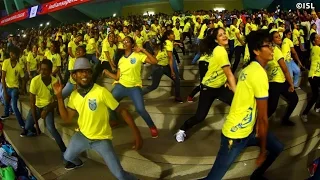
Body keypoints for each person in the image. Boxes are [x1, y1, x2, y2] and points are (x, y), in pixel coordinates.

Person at [203, 30, 284, 180]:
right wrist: (262, 151)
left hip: (248, 129)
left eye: (271, 45)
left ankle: (257, 176)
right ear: (256, 51)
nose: (272, 49)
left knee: (278, 147)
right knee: (213, 178)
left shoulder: (250, 68)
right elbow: (263, 118)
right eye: (268, 46)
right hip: (235, 135)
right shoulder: (258, 74)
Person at [53, 57, 142, 177]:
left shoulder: (101, 92)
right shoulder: (74, 96)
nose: (84, 74)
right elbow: (67, 119)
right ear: (74, 76)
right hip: (82, 135)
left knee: (120, 175)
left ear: (91, 74)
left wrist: (137, 135)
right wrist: (59, 98)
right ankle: (78, 163)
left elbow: (122, 111)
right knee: (67, 157)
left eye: (87, 71)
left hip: (101, 139)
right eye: (80, 71)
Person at [175, 27, 236, 143]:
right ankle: (181, 130)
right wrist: (237, 92)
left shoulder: (220, 50)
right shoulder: (219, 50)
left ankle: (237, 132)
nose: (224, 36)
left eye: (225, 33)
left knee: (237, 105)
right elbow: (229, 74)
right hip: (208, 89)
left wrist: (226, 82)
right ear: (216, 40)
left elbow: (224, 72)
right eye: (220, 35)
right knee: (200, 116)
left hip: (220, 88)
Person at [103, 36, 159, 138]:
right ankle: (115, 120)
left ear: (132, 45)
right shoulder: (120, 60)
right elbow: (117, 77)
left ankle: (152, 127)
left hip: (134, 87)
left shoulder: (138, 55)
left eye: (127, 41)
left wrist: (142, 49)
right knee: (109, 102)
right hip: (121, 86)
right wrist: (108, 73)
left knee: (140, 109)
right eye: (124, 41)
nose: (125, 43)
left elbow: (154, 61)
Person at [22, 59, 68, 158]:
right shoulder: (35, 81)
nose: (42, 72)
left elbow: (56, 100)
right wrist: (37, 126)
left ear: (51, 71)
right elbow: (32, 102)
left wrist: (46, 110)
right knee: (27, 127)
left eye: (46, 70)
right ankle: (33, 130)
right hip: (37, 107)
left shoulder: (54, 81)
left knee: (51, 128)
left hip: (48, 106)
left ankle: (64, 150)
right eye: (41, 69)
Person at [267, 31, 298, 126]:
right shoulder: (275, 50)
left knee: (294, 99)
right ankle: (258, 124)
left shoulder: (273, 49)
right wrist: (291, 84)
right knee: (272, 107)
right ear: (272, 40)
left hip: (281, 81)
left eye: (279, 36)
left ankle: (285, 119)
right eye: (276, 37)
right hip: (274, 82)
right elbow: (285, 69)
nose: (279, 38)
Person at [142, 34, 182, 101]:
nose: (174, 35)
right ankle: (139, 94)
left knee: (177, 80)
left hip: (166, 67)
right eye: (172, 34)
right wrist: (172, 71)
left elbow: (172, 43)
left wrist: (178, 43)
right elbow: (167, 58)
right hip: (158, 67)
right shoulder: (158, 48)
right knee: (154, 86)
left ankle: (177, 97)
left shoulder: (168, 44)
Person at [0, 47, 26, 130]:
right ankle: (6, 113)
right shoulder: (6, 62)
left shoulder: (19, 67)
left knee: (14, 106)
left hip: (15, 88)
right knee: (6, 100)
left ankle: (22, 123)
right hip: (7, 86)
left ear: (17, 55)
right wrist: (5, 92)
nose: (11, 55)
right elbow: (3, 78)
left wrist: (22, 88)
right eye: (11, 53)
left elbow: (23, 78)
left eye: (13, 54)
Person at [300, 33, 320, 122]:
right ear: (313, 41)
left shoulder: (315, 48)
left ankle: (305, 113)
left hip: (315, 75)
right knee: (315, 95)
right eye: (317, 38)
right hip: (314, 75)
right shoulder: (316, 48)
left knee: (315, 95)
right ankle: (317, 107)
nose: (319, 38)